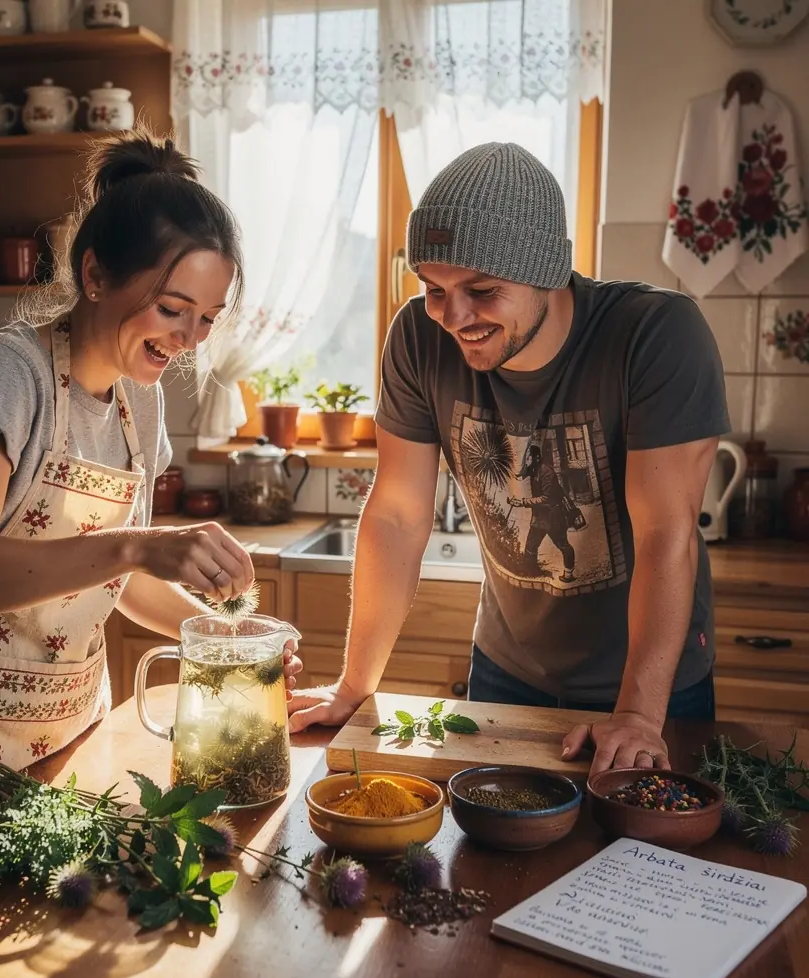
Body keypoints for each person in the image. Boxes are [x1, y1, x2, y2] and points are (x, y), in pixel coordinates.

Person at [0, 129, 300, 872]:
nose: (189, 338)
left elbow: (117, 585)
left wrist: (230, 649)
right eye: (171, 309)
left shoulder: (141, 403)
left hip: (65, 731)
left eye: (208, 318)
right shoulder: (3, 374)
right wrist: (136, 544)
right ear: (94, 275)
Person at [287, 142, 728, 776]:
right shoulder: (417, 337)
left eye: (483, 289)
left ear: (548, 270)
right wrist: (356, 687)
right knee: (494, 862)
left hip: (650, 685)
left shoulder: (656, 335)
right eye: (434, 288)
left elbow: (667, 534)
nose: (453, 316)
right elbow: (397, 516)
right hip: (507, 667)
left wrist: (635, 716)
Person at [508, 442, 576, 583]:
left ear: (537, 458)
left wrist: (522, 502)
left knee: (563, 545)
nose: (526, 461)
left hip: (553, 516)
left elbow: (546, 498)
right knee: (531, 545)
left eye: (528, 458)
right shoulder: (533, 469)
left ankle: (568, 574)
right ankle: (531, 572)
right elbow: (519, 474)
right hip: (540, 517)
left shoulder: (547, 473)